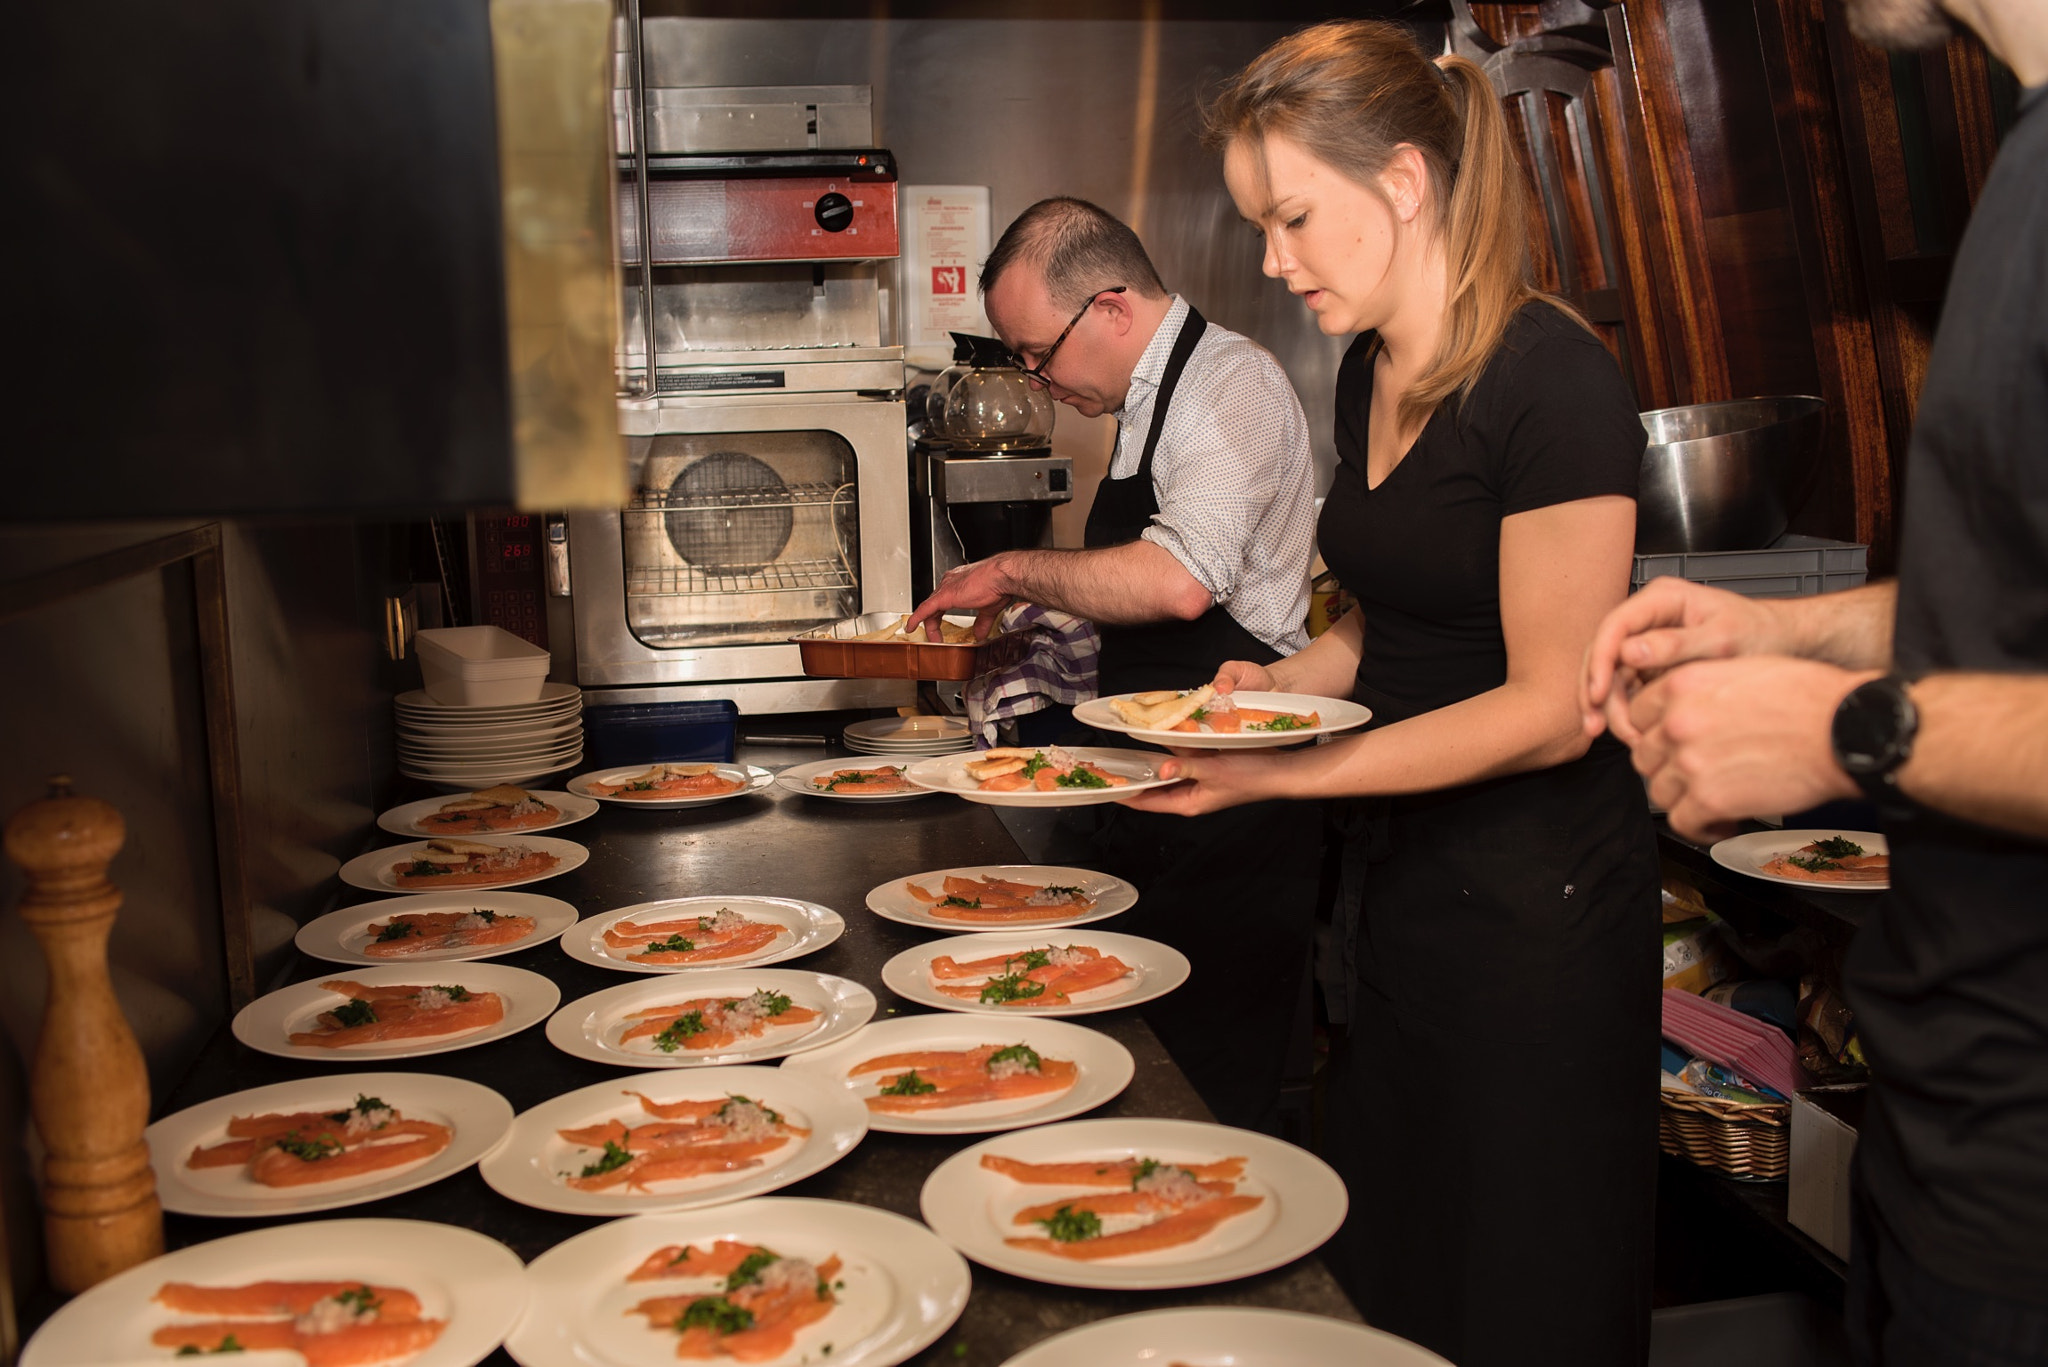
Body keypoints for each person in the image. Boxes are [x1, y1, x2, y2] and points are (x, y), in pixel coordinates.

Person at [1121, 21, 1661, 1366]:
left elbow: (1551, 700)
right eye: (1260, 223)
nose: (1271, 259)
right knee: (1384, 1285)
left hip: (1538, 926)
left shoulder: (1555, 382)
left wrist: (1287, 771)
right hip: (1398, 900)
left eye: (1294, 217)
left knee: (1517, 1296)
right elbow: (1391, 619)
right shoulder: (1370, 365)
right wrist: (1267, 691)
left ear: (1407, 183)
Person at [1581, 2, 2048, 1361]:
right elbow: (2010, 597)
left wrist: (1850, 728)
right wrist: (1802, 636)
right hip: (1944, 1124)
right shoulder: (2022, 153)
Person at [906, 197, 1322, 1132]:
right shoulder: (1145, 403)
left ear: (1111, 307)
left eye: (1035, 353)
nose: (1034, 378)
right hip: (1155, 792)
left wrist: (1011, 569)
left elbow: (1178, 584)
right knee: (1140, 1083)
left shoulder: (1229, 387)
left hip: (1236, 804)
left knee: (1210, 1099)